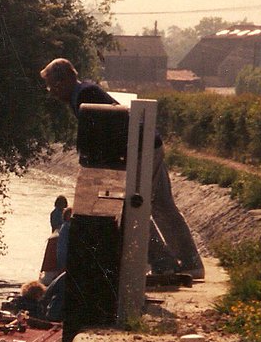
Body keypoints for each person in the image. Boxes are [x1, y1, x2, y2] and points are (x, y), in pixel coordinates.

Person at [40, 58, 206, 279]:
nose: (50, 91)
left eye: (53, 84)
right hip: (147, 144)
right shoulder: (81, 94)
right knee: (163, 206)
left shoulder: (84, 95)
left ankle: (164, 264)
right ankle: (190, 263)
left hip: (140, 150)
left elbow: (100, 132)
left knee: (133, 208)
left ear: (67, 79)